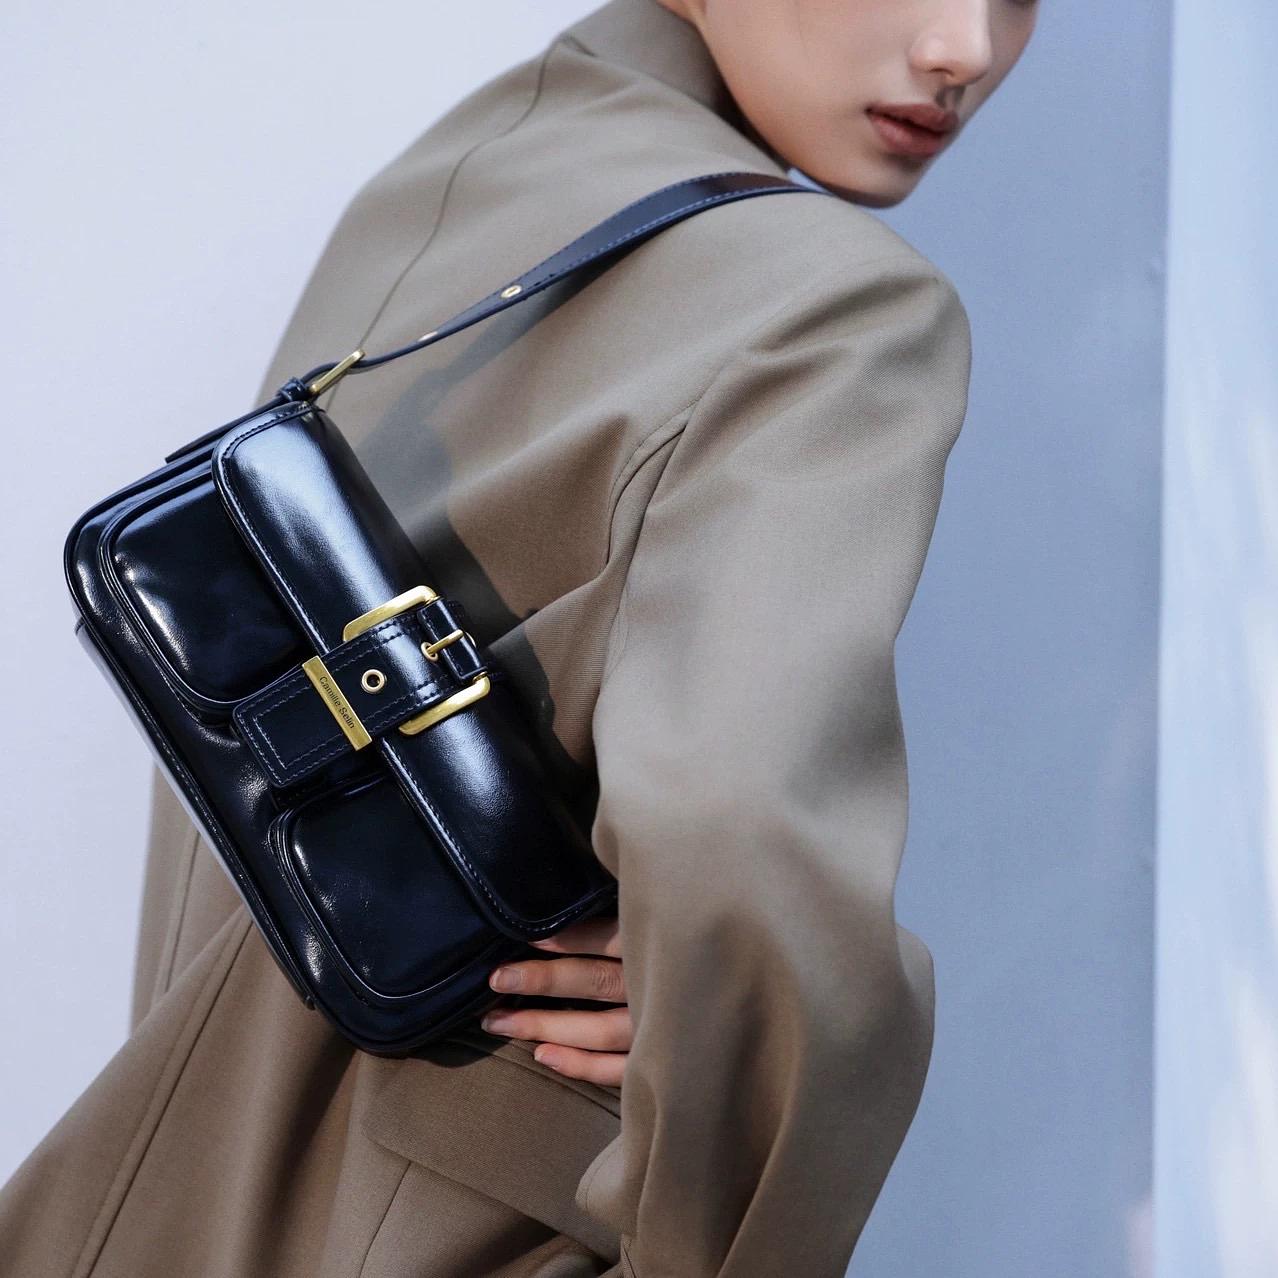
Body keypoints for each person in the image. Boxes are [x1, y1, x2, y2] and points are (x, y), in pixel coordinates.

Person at [0, 0, 1038, 1273]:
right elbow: (738, 831)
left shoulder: (465, 171)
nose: (963, 49)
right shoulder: (834, 304)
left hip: (172, 1201)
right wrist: (767, 1014)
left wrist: (704, 975)